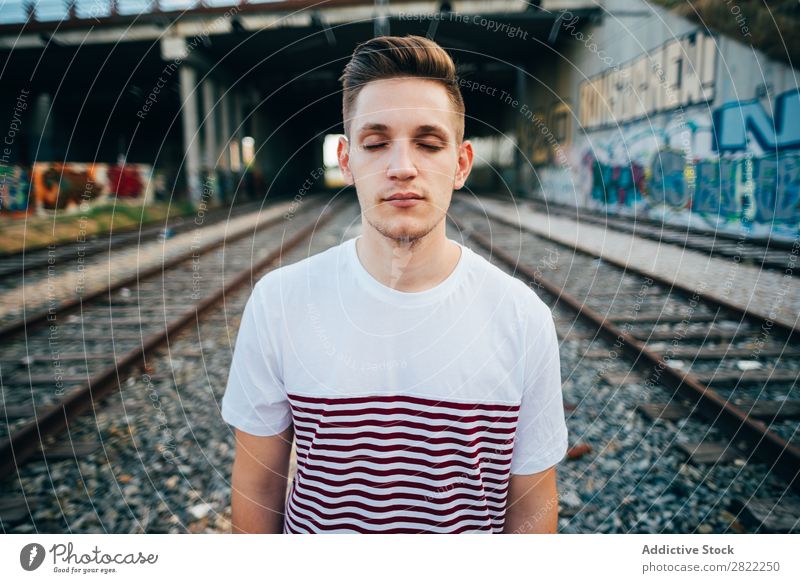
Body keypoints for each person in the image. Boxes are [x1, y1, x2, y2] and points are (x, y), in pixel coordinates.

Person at [221, 34, 568, 534]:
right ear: (345, 160)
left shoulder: (521, 317)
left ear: (461, 164)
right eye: (376, 143)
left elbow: (533, 510)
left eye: (428, 144)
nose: (402, 166)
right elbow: (257, 486)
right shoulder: (280, 302)